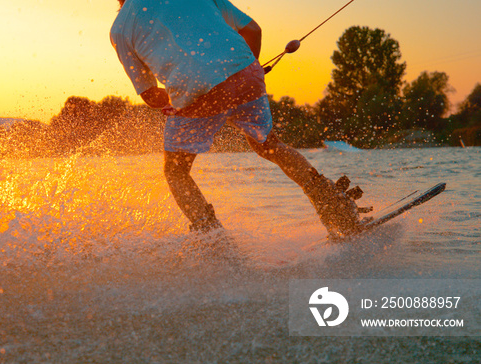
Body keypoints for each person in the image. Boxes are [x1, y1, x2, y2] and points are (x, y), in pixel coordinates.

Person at [110, 0, 368, 239]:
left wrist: (173, 98)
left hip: (196, 95)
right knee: (269, 145)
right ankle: (335, 208)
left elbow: (149, 95)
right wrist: (250, 68)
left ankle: (211, 239)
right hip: (248, 76)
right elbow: (253, 30)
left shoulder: (121, 28)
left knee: (176, 170)